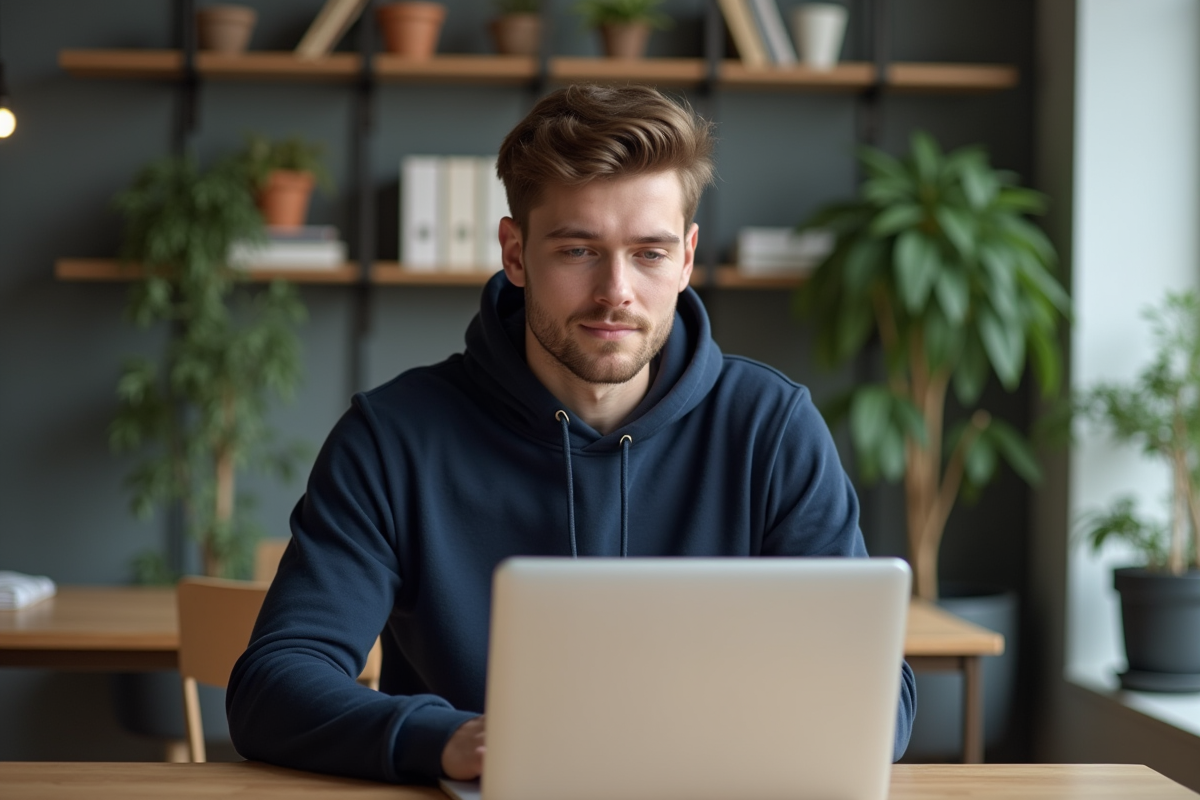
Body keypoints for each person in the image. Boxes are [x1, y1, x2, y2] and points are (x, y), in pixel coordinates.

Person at [226, 83, 916, 784]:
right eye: (579, 250)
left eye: (649, 253)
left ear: (686, 258)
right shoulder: (394, 436)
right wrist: (450, 739)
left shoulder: (771, 428)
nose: (616, 290)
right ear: (516, 252)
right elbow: (273, 684)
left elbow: (881, 702)